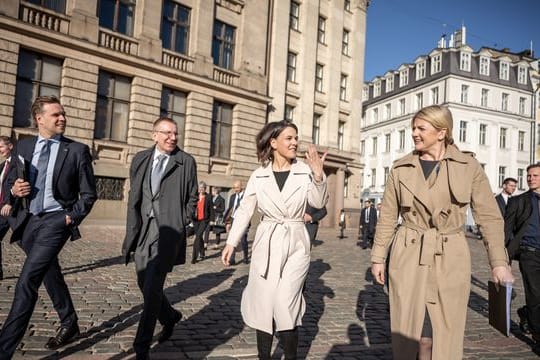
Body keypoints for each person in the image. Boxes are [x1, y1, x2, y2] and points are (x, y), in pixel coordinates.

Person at [370, 105, 513, 360]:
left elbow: (489, 218)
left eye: (421, 128)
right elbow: (388, 217)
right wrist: (378, 257)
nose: (414, 133)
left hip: (450, 255)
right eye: (413, 128)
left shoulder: (468, 166)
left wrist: (499, 263)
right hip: (409, 254)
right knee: (416, 332)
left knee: (444, 330)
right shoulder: (401, 168)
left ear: (441, 132)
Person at [221, 120, 328, 360]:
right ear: (273, 142)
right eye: (289, 138)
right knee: (263, 303)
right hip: (266, 241)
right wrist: (231, 242)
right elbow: (245, 210)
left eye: (296, 138)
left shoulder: (304, 171)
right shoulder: (259, 175)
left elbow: (319, 203)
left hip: (296, 242)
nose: (294, 142)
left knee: (284, 303)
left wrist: (318, 175)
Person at [0, 95, 97, 358]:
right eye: (56, 114)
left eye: (63, 114)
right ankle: (70, 321)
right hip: (27, 223)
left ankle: (3, 349)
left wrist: (70, 217)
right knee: (48, 271)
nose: (62, 118)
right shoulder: (23, 146)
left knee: (27, 281)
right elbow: (10, 182)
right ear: (39, 118)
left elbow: (89, 194)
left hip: (56, 221)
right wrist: (14, 190)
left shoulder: (76, 150)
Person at [121, 117, 198, 359]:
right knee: (143, 282)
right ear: (154, 135)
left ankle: (141, 346)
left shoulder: (186, 161)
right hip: (143, 229)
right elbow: (136, 193)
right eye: (166, 133)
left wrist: (181, 220)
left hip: (168, 232)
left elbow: (193, 197)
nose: (172, 138)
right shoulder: (141, 158)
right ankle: (170, 316)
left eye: (175, 133)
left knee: (153, 286)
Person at [505, 163, 540, 347]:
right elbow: (507, 231)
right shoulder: (518, 201)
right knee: (534, 294)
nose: (530, 178)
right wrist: (505, 260)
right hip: (529, 254)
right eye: (529, 176)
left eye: (535, 175)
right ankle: (537, 334)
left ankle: (526, 313)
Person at [224, 180, 249, 264]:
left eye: (237, 187)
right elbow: (230, 209)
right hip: (233, 219)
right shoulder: (232, 196)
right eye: (234, 187)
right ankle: (232, 259)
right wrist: (228, 222)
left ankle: (245, 257)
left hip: (243, 220)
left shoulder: (246, 197)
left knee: (243, 240)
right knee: (232, 239)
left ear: (241, 187)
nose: (236, 189)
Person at [0, 136, 14, 281]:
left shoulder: (18, 162)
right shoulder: (3, 165)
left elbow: (19, 183)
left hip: (14, 209)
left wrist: (9, 202)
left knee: (26, 242)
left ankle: (46, 266)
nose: (0, 150)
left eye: (1, 147)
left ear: (10, 146)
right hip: (2, 209)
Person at [192, 181, 212, 263]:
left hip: (204, 220)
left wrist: (212, 220)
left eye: (202, 188)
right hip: (196, 220)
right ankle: (202, 253)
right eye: (200, 188)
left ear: (205, 189)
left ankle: (194, 257)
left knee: (197, 236)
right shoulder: (195, 196)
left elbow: (211, 209)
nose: (201, 189)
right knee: (199, 237)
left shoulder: (208, 197)